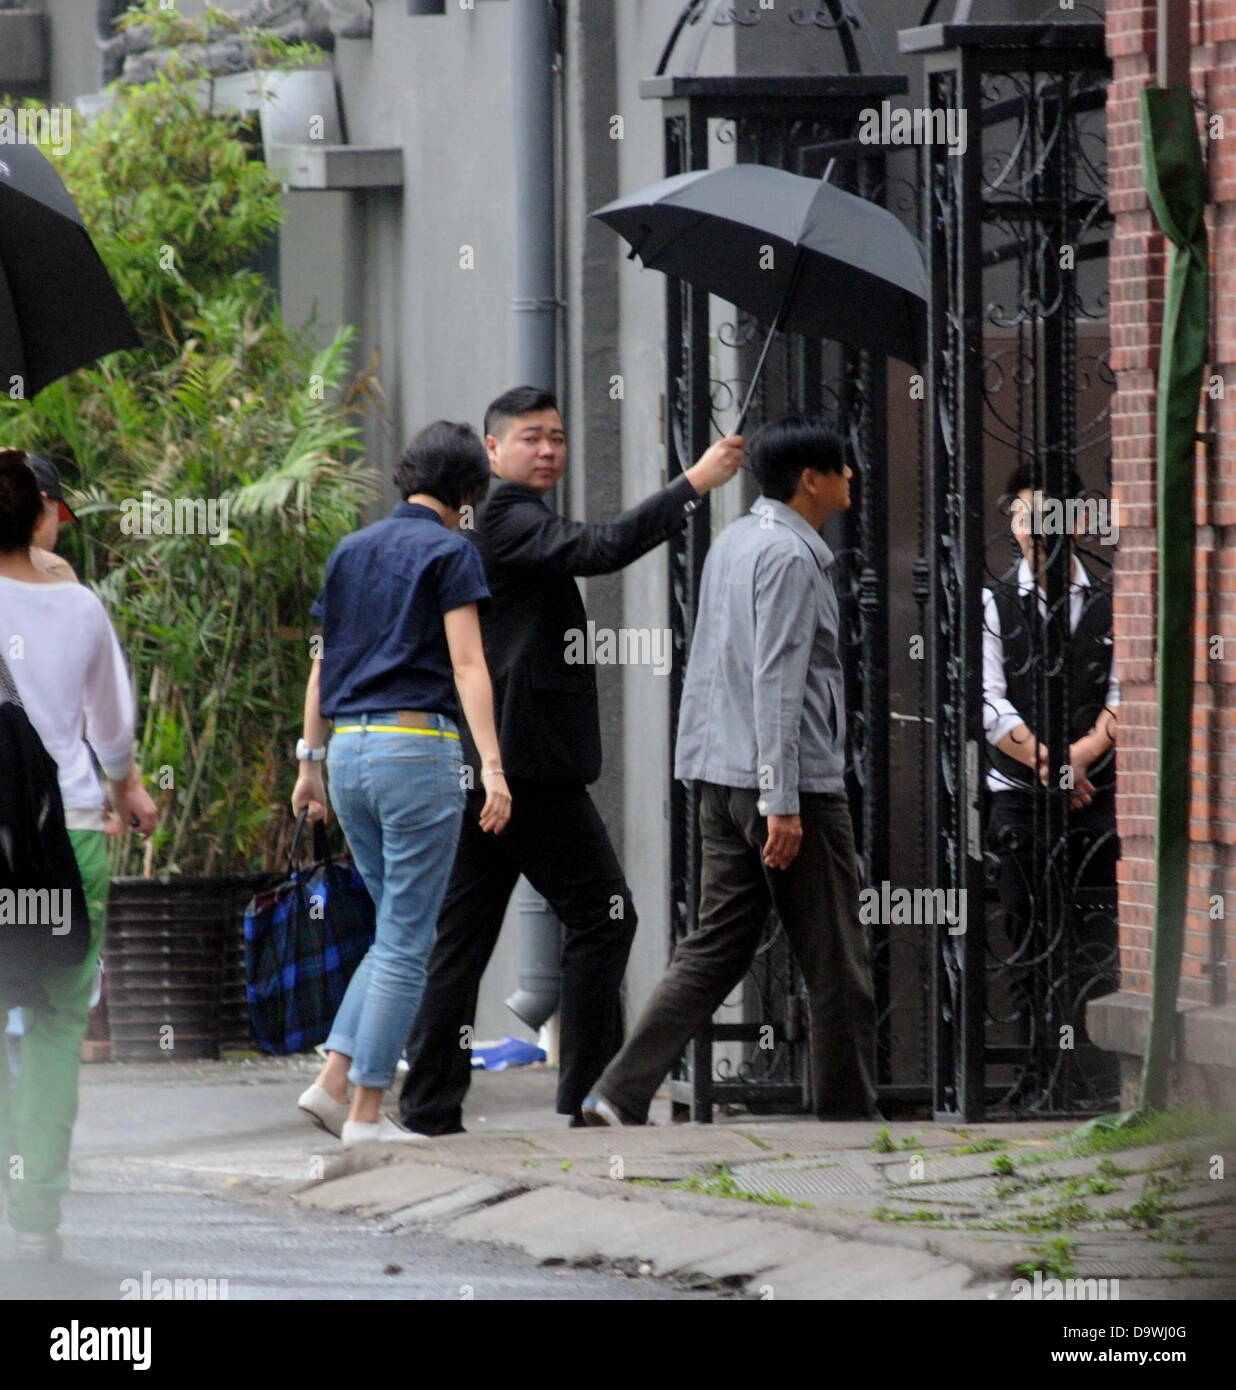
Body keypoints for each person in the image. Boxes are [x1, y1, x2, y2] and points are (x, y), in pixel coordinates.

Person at [399, 386, 743, 1135]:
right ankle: (591, 1097)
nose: (549, 448)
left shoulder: (510, 519)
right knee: (603, 916)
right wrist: (696, 483)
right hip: (524, 768)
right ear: (492, 452)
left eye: (557, 436)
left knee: (465, 933)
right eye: (531, 438)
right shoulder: (508, 517)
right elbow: (603, 548)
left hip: (499, 763)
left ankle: (429, 1104)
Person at [583, 416, 879, 1127]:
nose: (851, 477)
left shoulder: (737, 541)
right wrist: (782, 800)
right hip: (785, 785)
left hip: (721, 778)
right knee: (838, 960)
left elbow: (717, 662)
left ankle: (617, 1094)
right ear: (811, 480)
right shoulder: (789, 557)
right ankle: (848, 1119)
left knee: (714, 950)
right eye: (842, 466)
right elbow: (776, 678)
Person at [291, 421, 511, 1148]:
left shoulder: (351, 550)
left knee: (393, 933)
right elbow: (469, 664)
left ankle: (332, 1083)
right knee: (411, 940)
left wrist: (307, 762)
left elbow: (322, 668)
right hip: (415, 749)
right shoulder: (452, 551)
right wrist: (494, 766)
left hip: (348, 751)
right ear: (470, 493)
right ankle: (365, 1113)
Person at [0, 450, 157, 1260]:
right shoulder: (81, 608)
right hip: (69, 832)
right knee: (60, 1023)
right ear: (44, 515)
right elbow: (113, 732)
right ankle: (34, 1213)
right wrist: (127, 788)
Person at [982, 462, 1120, 1100]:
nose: (1032, 531)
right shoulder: (995, 599)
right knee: (1028, 931)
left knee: (1095, 937)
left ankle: (1092, 1078)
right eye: (1021, 516)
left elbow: (1125, 695)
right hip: (1021, 797)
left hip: (1096, 796)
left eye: (1045, 517)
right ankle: (1037, 1077)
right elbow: (990, 705)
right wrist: (1049, 762)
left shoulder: (1113, 595)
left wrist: (1083, 755)